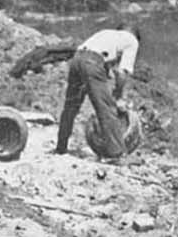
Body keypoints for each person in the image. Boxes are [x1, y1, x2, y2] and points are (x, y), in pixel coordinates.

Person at [55, 25, 140, 158]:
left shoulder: (106, 33)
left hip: (77, 59)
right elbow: (122, 72)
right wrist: (119, 95)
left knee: (71, 105)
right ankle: (117, 154)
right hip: (92, 62)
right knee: (106, 108)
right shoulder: (132, 41)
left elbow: (101, 63)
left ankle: (61, 147)